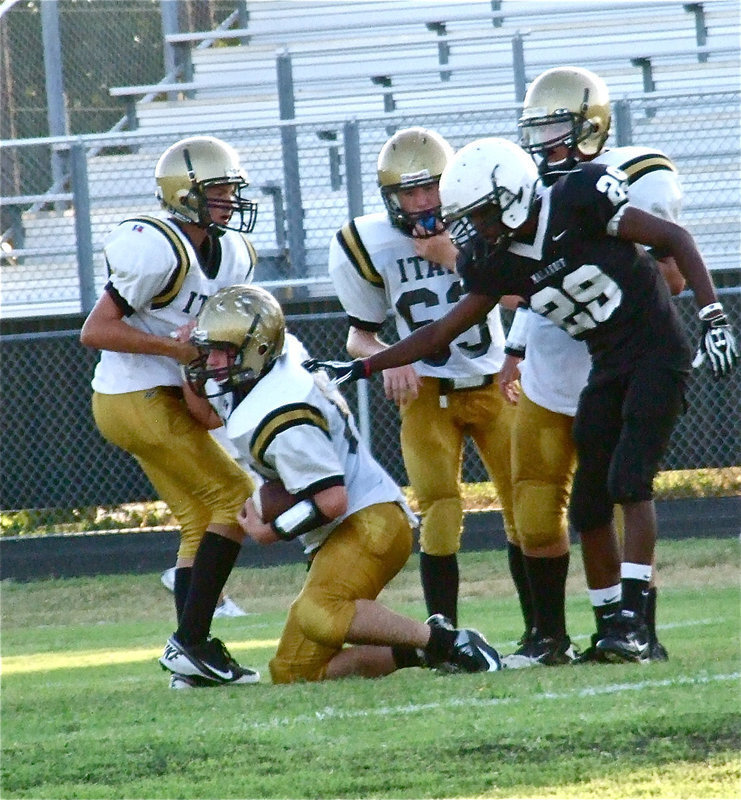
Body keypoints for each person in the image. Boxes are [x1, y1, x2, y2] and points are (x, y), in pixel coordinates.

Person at [306, 136, 737, 664]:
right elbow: (441, 332)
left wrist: (713, 316)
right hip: (606, 365)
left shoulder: (578, 197)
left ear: (508, 198)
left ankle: (635, 622)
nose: (472, 230)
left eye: (480, 215)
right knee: (586, 506)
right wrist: (365, 363)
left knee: (628, 481)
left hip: (655, 352)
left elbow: (673, 236)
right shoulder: (498, 260)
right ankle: (609, 629)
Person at [173, 283, 502, 683]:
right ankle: (416, 651)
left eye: (222, 351)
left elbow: (332, 500)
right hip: (341, 530)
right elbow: (208, 412)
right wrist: (191, 351)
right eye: (211, 351)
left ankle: (448, 643)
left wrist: (270, 529)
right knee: (292, 672)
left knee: (320, 610)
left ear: (257, 349)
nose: (213, 362)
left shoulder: (281, 407)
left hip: (370, 522)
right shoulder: (270, 364)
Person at [497, 66, 688, 666]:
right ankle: (559, 632)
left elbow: (673, 275)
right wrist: (515, 346)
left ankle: (638, 628)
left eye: (558, 129)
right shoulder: (528, 188)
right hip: (554, 371)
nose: (545, 144)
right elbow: (522, 281)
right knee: (555, 507)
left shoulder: (633, 178)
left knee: (626, 487)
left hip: (621, 364)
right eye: (540, 130)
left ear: (591, 128)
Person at [80, 135, 261, 688]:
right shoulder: (156, 246)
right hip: (131, 397)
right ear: (184, 195)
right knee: (236, 499)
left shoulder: (230, 253)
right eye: (219, 191)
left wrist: (199, 380)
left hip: (159, 395)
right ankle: (190, 644)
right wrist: (175, 351)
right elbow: (95, 330)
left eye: (232, 189)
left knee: (199, 522)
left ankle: (193, 660)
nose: (229, 201)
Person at [328, 126, 519, 630]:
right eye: (409, 192)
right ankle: (445, 634)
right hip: (428, 391)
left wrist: (454, 257)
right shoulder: (367, 242)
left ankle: (542, 633)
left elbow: (520, 295)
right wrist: (394, 357)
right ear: (390, 198)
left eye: (431, 187)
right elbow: (358, 337)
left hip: (494, 381)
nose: (423, 201)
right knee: (440, 509)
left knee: (527, 505)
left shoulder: (483, 223)